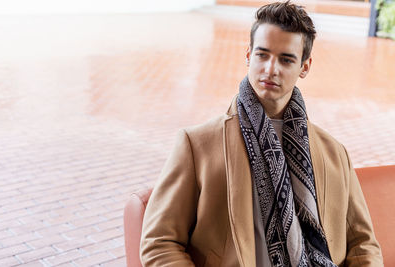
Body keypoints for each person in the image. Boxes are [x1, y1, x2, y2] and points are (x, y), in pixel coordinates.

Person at [140, 1, 383, 266]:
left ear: (304, 67)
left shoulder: (334, 153)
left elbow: (363, 244)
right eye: (262, 55)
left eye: (286, 59)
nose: (270, 69)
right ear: (248, 55)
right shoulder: (196, 145)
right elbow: (159, 242)